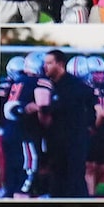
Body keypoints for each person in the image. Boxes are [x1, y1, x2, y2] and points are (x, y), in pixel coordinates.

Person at [32, 50, 96, 198]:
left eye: (49, 63)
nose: (45, 67)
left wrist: (37, 107)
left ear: (60, 64)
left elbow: (63, 106)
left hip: (73, 142)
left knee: (74, 181)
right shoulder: (50, 84)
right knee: (57, 180)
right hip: (56, 143)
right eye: (44, 63)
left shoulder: (73, 85)